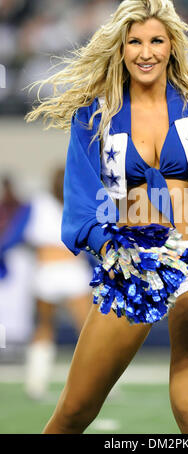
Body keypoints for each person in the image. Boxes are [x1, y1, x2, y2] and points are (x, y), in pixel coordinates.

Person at [25, 0, 188, 434]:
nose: (146, 53)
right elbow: (81, 204)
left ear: (172, 44)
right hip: (133, 271)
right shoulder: (95, 114)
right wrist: (112, 250)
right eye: (135, 42)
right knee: (74, 411)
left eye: (156, 41)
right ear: (121, 48)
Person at [23, 167, 92, 400]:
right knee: (88, 330)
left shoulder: (39, 204)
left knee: (45, 327)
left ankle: (36, 383)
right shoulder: (78, 201)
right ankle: (99, 384)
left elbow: (19, 233)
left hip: (51, 271)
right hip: (66, 271)